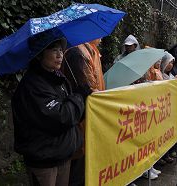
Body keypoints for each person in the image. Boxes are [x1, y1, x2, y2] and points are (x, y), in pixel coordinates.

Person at [12, 32, 88, 186]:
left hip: (63, 154)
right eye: (54, 50)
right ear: (40, 54)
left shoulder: (58, 78)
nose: (60, 55)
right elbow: (61, 116)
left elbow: (73, 115)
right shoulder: (33, 86)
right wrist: (80, 98)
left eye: (61, 50)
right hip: (44, 161)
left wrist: (81, 99)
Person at [63, 38, 105, 186]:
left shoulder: (89, 51)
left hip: (89, 112)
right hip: (82, 115)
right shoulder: (77, 53)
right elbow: (84, 86)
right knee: (79, 162)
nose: (101, 37)